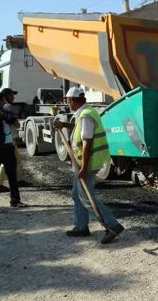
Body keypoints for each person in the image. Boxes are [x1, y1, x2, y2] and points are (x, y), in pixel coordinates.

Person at [53, 87, 124, 243]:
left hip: (88, 163)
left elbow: (87, 143)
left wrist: (84, 168)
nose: (67, 103)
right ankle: (81, 227)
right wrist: (64, 125)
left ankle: (112, 226)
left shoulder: (85, 116)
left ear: (72, 100)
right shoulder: (86, 113)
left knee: (86, 196)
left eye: (67, 100)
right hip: (86, 162)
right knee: (76, 193)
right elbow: (81, 129)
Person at [0, 88, 32, 191]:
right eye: (11, 96)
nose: (13, 97)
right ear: (5, 97)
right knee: (8, 162)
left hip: (9, 139)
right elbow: (12, 126)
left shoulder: (7, 108)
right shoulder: (6, 108)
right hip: (8, 140)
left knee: (17, 160)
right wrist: (15, 137)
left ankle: (18, 180)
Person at [0, 91, 25, 207]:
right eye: (2, 100)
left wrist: (10, 118)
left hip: (8, 147)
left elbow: (17, 125)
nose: (3, 102)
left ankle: (15, 199)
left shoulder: (6, 111)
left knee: (12, 176)